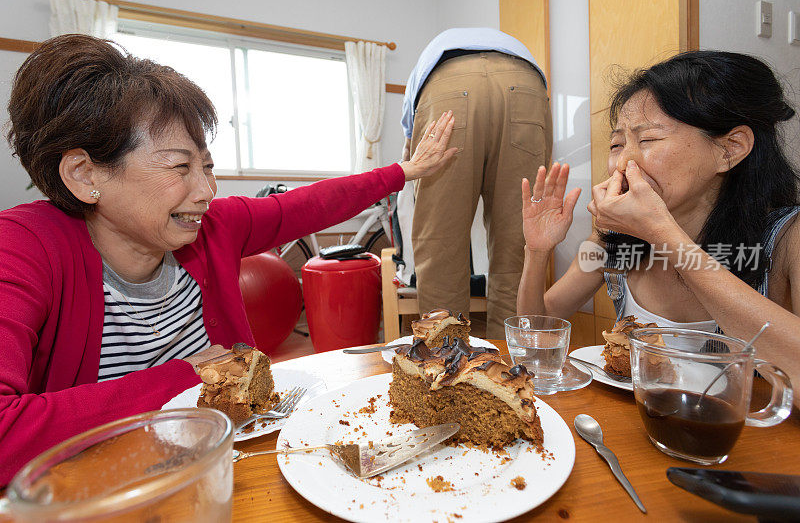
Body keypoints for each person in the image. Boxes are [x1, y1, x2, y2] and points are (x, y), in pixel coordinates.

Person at [0, 34, 458, 484]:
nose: (206, 192)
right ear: (84, 175)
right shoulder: (22, 248)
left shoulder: (214, 226)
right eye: (180, 167)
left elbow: (310, 204)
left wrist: (405, 171)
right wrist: (186, 377)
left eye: (208, 166)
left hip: (232, 473)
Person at [517, 50, 800, 407]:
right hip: (638, 431)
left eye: (647, 139)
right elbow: (538, 328)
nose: (623, 162)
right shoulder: (610, 243)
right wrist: (538, 250)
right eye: (617, 144)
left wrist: (663, 234)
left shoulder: (788, 238)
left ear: (730, 149)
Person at [399, 28, 551, 338]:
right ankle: (512, 371)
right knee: (519, 245)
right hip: (526, 84)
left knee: (440, 244)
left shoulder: (433, 50)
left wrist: (409, 145)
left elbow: (408, 134)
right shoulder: (511, 44)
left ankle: (445, 365)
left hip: (448, 85)